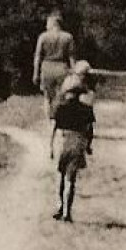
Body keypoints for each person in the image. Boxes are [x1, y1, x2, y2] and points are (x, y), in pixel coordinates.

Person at [51, 83, 95, 223]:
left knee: (60, 174)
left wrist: (50, 146)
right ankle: (67, 212)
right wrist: (87, 146)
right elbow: (89, 131)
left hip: (62, 139)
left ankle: (59, 206)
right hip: (77, 140)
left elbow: (53, 127)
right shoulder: (86, 109)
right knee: (71, 178)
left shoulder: (60, 107)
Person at [32, 12, 76, 117]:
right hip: (62, 68)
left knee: (47, 97)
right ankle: (60, 121)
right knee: (62, 96)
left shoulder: (43, 37)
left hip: (47, 67)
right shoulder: (68, 37)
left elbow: (38, 56)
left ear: (53, 23)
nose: (46, 26)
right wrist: (74, 73)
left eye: (47, 23)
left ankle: (49, 123)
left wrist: (35, 73)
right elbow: (71, 57)